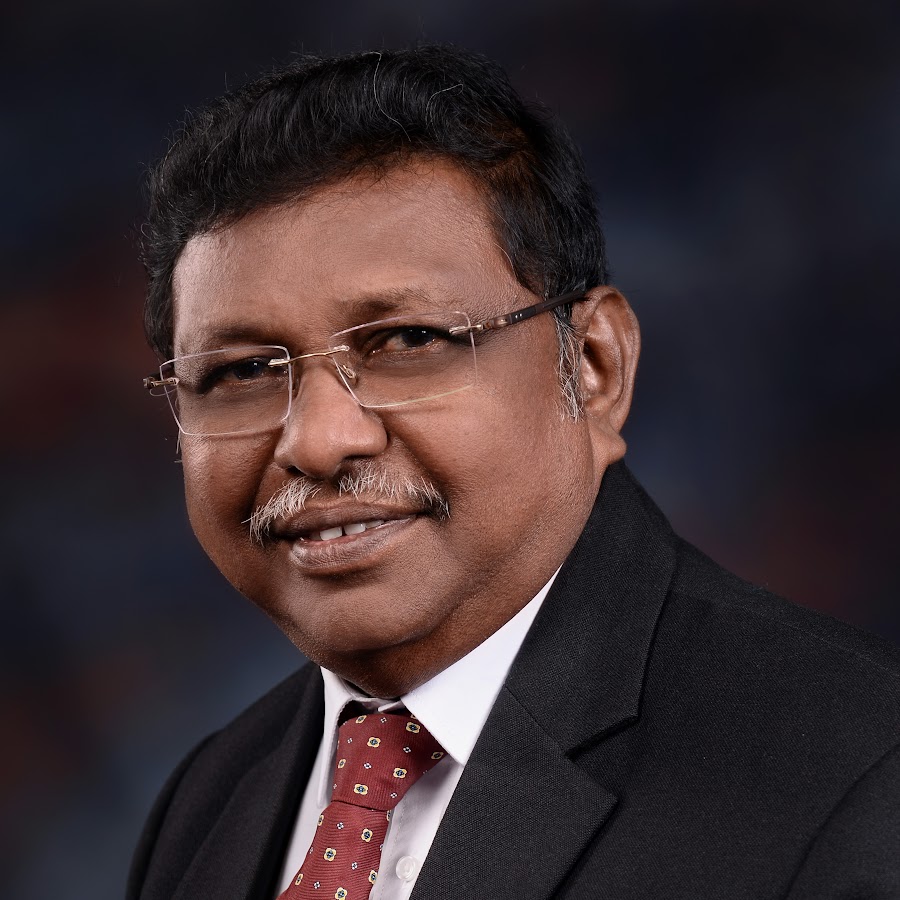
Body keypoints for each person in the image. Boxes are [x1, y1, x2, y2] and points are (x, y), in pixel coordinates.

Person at [128, 46, 900, 900]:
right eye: (240, 371)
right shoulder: (209, 802)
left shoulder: (862, 780)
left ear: (595, 367)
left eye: (409, 340)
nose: (316, 442)